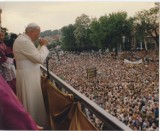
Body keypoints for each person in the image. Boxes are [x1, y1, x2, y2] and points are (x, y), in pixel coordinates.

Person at [13, 23, 50, 129]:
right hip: (28, 76)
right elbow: (39, 59)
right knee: (31, 101)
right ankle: (32, 125)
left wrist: (40, 46)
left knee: (31, 100)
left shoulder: (23, 40)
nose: (38, 36)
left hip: (27, 75)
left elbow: (33, 55)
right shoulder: (24, 41)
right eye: (37, 34)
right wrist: (44, 45)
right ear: (32, 31)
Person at [0, 29, 16, 94]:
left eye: (2, 34)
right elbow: (3, 58)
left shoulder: (2, 43)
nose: (1, 35)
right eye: (0, 34)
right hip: (4, 68)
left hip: (8, 67)